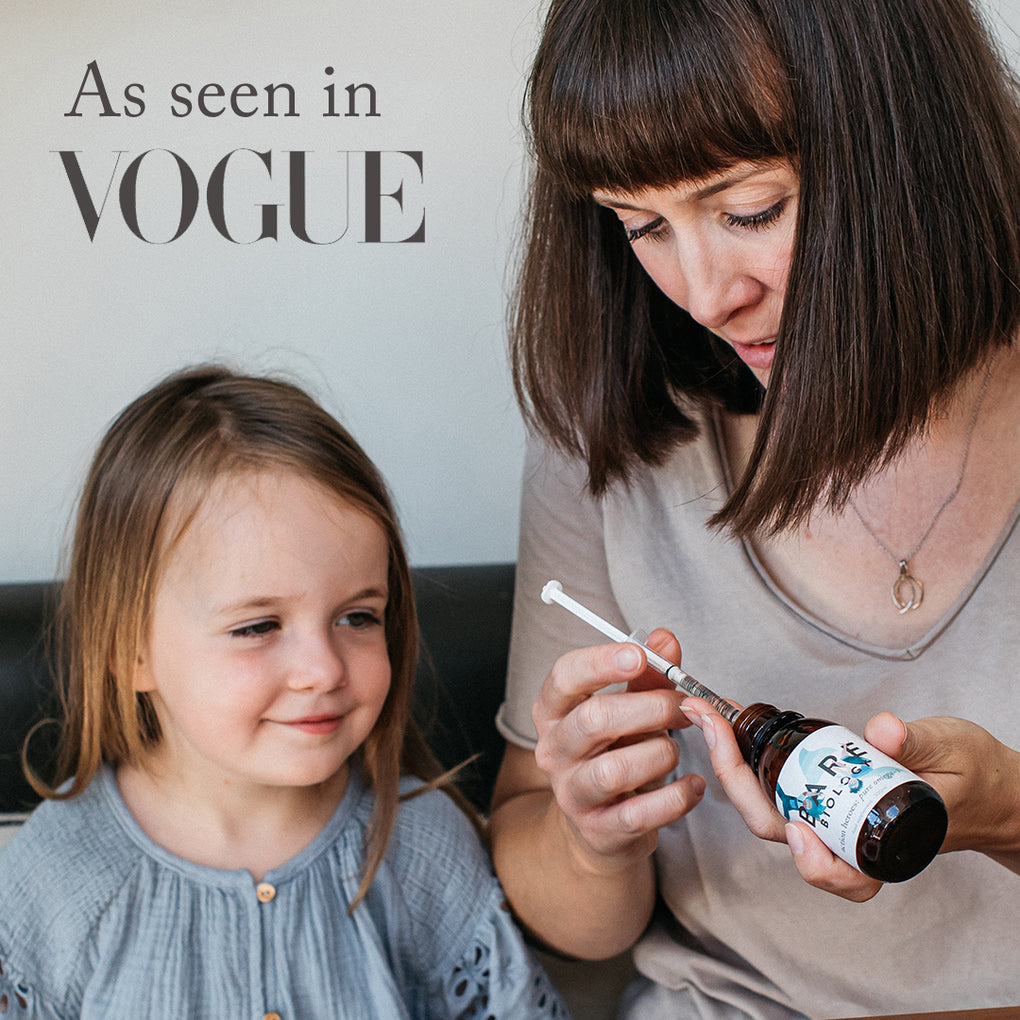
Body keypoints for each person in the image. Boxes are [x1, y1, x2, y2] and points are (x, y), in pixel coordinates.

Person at [489, 0, 1020, 1016]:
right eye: (641, 225)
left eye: (748, 211)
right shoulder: (616, 420)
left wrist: (1006, 811)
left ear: (908, 139)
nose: (701, 294)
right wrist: (593, 837)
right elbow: (563, 910)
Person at [0, 365, 569, 1019]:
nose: (324, 669)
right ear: (128, 652)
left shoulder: (421, 849)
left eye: (358, 616)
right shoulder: (55, 879)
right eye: (257, 626)